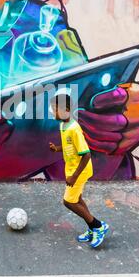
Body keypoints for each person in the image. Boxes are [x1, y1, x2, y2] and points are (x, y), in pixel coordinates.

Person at [50, 94, 109, 248]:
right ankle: (92, 228)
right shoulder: (63, 125)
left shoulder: (74, 129)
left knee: (68, 202)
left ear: (66, 110)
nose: (52, 112)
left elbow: (86, 154)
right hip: (72, 170)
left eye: (55, 109)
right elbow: (70, 146)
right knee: (77, 199)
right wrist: (57, 148)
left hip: (79, 171)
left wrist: (74, 177)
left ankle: (98, 226)